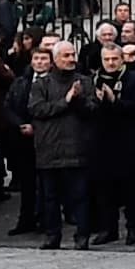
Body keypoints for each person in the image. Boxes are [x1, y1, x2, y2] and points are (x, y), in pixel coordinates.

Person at [17, 38, 91, 249]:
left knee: (80, 196)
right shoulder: (42, 84)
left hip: (76, 147)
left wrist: (76, 100)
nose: (71, 59)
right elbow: (38, 110)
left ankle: (82, 235)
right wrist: (65, 101)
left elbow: (91, 109)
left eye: (72, 55)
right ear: (55, 59)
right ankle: (52, 235)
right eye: (66, 56)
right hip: (49, 147)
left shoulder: (84, 82)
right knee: (50, 197)